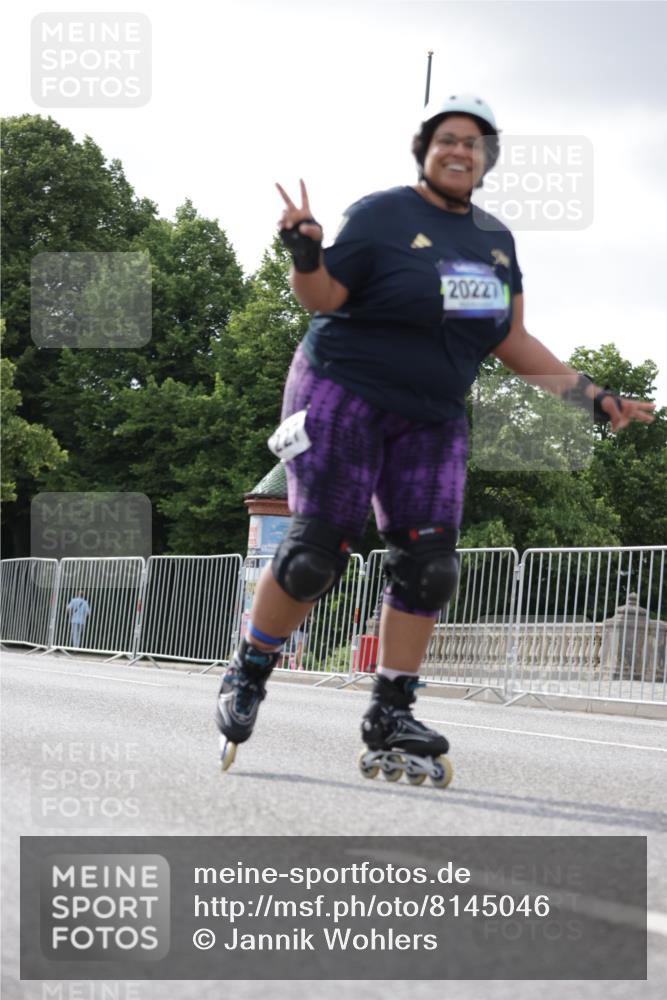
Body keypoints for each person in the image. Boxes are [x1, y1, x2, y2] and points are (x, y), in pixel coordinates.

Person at [216, 93, 655, 785]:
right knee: (314, 555)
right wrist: (305, 253)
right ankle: (249, 668)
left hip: (432, 414)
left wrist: (594, 399)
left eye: (474, 143)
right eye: (447, 139)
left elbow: (511, 339)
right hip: (341, 391)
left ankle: (391, 711)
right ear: (425, 149)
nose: (459, 151)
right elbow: (323, 297)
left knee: (430, 566)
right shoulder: (382, 215)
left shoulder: (494, 243)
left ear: (487, 160)